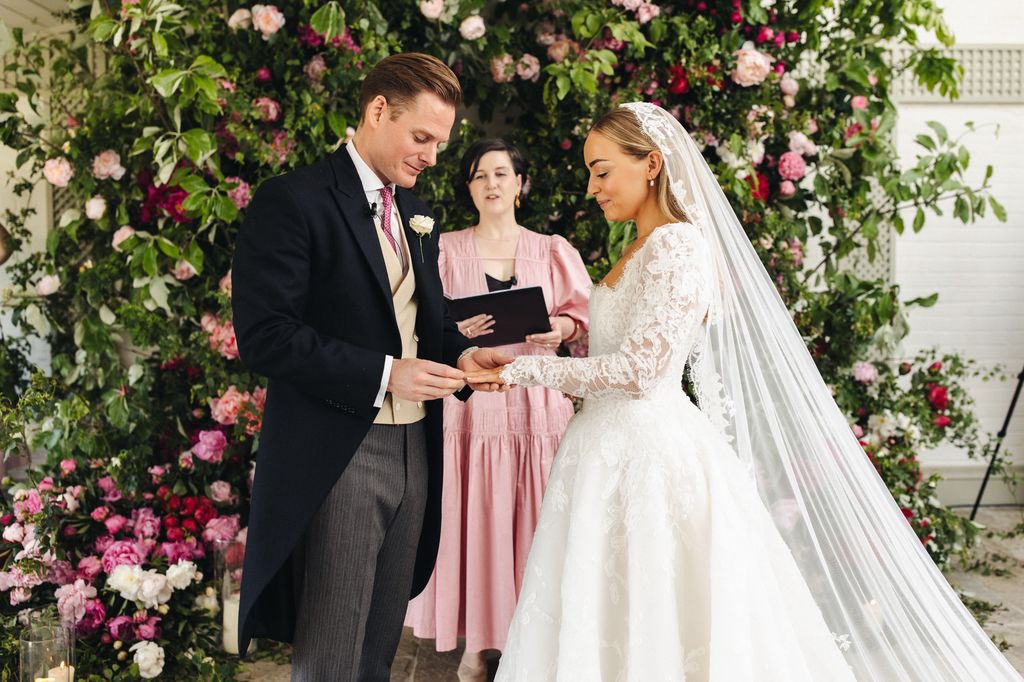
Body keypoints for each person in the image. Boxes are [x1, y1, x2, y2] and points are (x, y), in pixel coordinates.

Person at [468, 103, 1023, 681]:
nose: (592, 187)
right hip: (601, 452)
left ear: (651, 164)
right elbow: (615, 357)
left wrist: (518, 372)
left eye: (602, 170)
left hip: (647, 456)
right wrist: (535, 350)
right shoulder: (636, 247)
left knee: (659, 614)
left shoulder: (679, 247)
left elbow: (640, 371)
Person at [231, 53, 509, 681]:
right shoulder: (294, 200)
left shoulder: (415, 213)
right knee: (331, 656)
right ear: (378, 111)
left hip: (416, 446)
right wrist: (385, 374)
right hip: (341, 452)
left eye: (440, 142)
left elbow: (421, 319)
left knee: (377, 650)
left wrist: (464, 354)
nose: (433, 157)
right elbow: (265, 336)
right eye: (422, 138)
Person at [404, 139, 591, 681]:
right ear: (468, 187)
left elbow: (583, 321)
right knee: (475, 524)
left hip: (538, 413)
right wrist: (454, 332)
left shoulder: (552, 250)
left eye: (502, 173)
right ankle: (480, 645)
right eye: (479, 175)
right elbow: (422, 322)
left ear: (519, 184)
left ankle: (532, 643)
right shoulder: (443, 250)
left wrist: (560, 328)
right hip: (470, 414)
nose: (491, 183)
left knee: (536, 525)